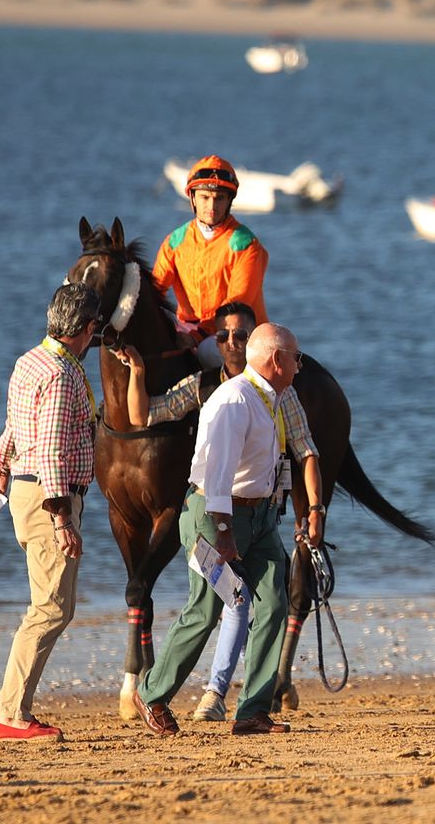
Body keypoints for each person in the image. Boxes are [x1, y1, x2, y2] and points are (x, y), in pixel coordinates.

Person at [110, 302, 324, 723]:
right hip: (213, 516)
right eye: (297, 357)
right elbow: (218, 475)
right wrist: (223, 533)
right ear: (277, 360)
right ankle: (151, 693)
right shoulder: (233, 401)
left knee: (274, 602)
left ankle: (253, 709)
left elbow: (306, 450)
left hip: (260, 517)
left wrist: (314, 508)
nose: (301, 364)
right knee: (207, 608)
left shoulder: (284, 396)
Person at [0, 284, 100, 742]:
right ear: (86, 329)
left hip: (27, 491)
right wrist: (62, 519)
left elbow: (16, 424)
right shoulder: (62, 373)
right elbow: (50, 450)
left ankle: (10, 705)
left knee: (55, 606)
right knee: (50, 608)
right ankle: (12, 714)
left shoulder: (30, 360)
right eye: (93, 330)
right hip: (49, 497)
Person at [152, 155, 269, 369]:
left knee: (208, 352)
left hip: (238, 333)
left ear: (229, 201)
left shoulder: (246, 244)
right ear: (193, 199)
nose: (212, 206)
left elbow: (235, 306)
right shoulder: (174, 242)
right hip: (188, 330)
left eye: (219, 198)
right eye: (205, 197)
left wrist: (198, 335)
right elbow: (154, 291)